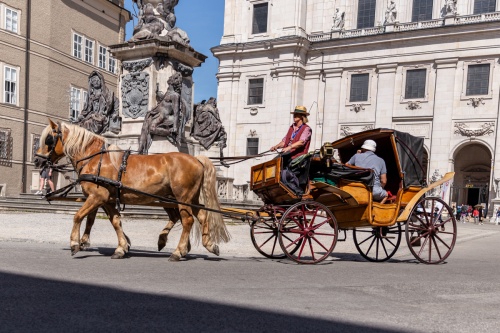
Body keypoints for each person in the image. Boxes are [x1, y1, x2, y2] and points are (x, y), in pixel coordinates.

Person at [270, 106, 312, 195]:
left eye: (297, 114)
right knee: (273, 162)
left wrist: (289, 147)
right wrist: (276, 146)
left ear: (302, 116)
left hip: (298, 156)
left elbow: (301, 142)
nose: (294, 116)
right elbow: (285, 140)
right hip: (288, 153)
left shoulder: (306, 128)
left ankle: (295, 190)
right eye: (294, 114)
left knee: (281, 166)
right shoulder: (292, 127)